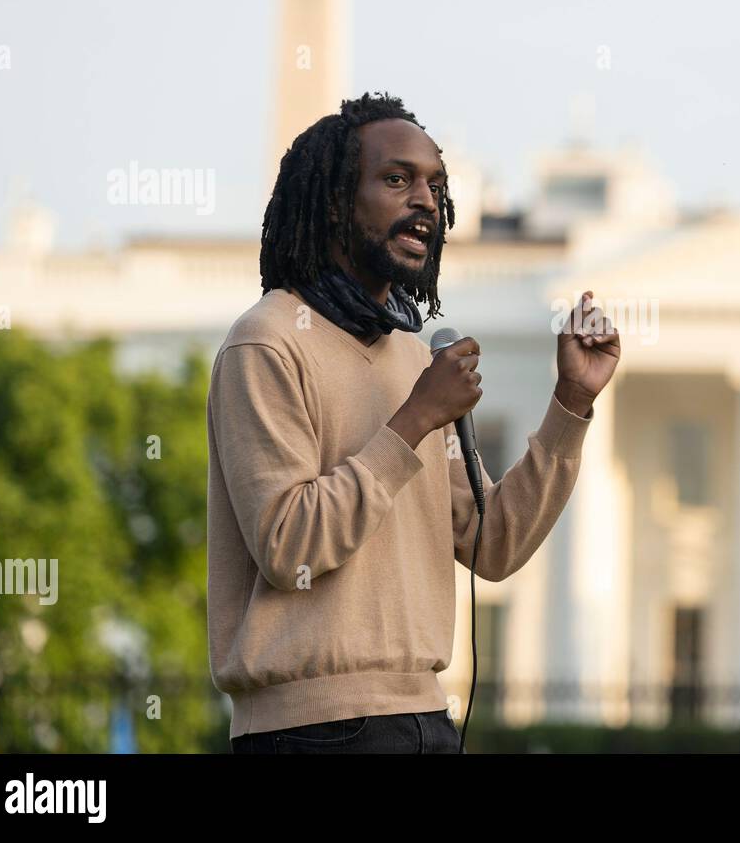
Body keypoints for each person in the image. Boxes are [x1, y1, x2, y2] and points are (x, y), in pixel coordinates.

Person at [208, 91, 620, 753]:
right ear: (337, 203)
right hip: (309, 733)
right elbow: (289, 547)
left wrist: (570, 403)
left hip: (426, 721)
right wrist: (416, 419)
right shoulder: (268, 343)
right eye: (397, 179)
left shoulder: (412, 356)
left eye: (436, 185)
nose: (425, 201)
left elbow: (492, 542)